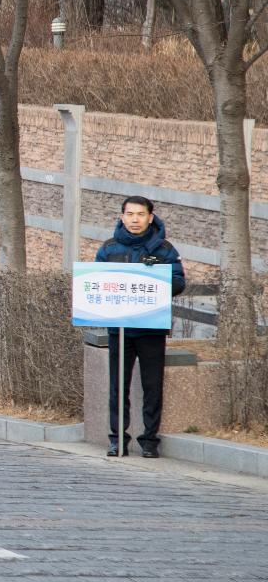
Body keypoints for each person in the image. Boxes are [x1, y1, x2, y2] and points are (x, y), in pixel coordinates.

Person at [95, 195, 186, 459]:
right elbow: (97, 281)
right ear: (122, 217)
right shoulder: (109, 248)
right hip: (119, 329)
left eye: (140, 214)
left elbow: (180, 283)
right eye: (130, 214)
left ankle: (149, 441)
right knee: (117, 387)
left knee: (152, 386)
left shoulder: (164, 249)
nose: (135, 219)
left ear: (150, 217)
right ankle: (117, 440)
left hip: (151, 327)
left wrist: (157, 275)